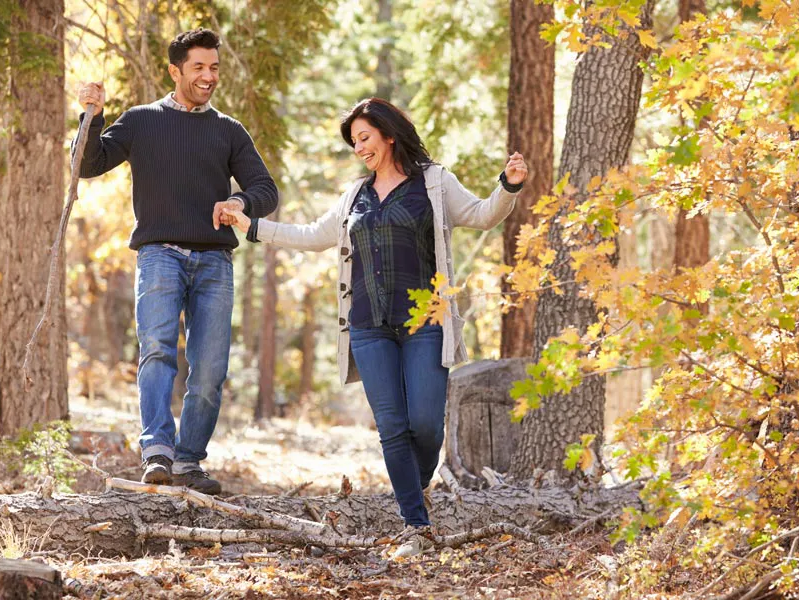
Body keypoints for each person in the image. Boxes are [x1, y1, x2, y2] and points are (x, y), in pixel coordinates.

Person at [222, 98, 527, 553]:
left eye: (364, 137)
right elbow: (309, 236)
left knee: (424, 424)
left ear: (388, 134)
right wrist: (253, 226)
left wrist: (509, 185)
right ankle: (416, 526)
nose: (359, 148)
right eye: (353, 142)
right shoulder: (354, 197)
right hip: (367, 326)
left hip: (424, 321)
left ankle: (414, 481)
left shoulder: (434, 183)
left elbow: (483, 215)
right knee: (391, 426)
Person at [74, 28, 278, 495]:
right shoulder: (142, 120)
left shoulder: (228, 130)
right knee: (159, 351)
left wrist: (240, 201)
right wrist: (92, 116)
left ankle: (188, 461)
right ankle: (157, 453)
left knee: (209, 369)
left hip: (214, 263)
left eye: (214, 68)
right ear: (175, 71)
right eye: (199, 68)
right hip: (159, 253)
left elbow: (267, 189)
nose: (209, 77)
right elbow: (88, 163)